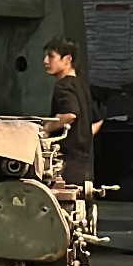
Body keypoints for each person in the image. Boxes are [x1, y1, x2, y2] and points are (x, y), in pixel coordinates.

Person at [43, 37, 96, 186]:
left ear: (67, 59)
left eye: (51, 56)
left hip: (67, 165)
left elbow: (70, 114)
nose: (45, 61)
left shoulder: (63, 85)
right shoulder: (82, 85)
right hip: (86, 165)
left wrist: (46, 129)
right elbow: (98, 120)